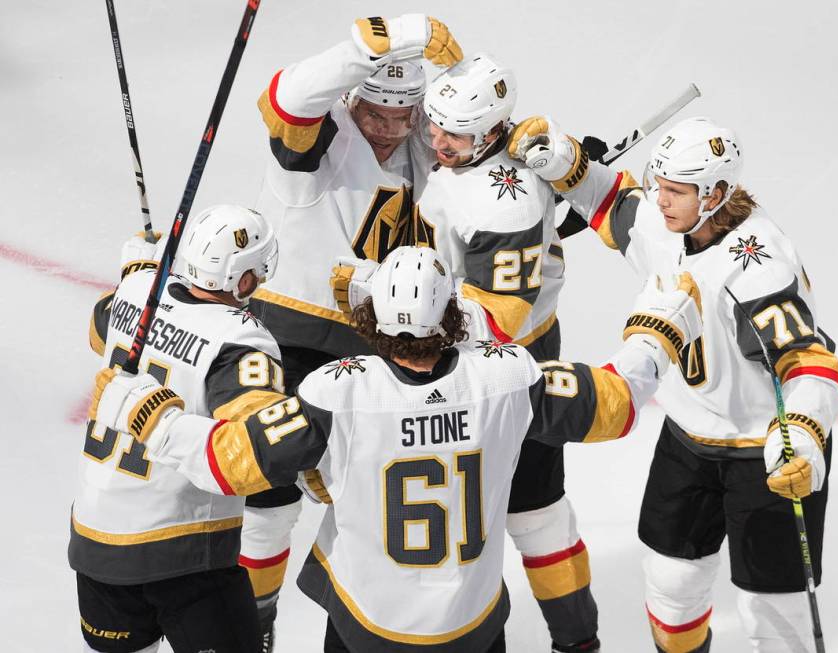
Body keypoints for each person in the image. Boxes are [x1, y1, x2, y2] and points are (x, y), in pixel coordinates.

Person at [88, 246, 702, 653]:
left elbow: (229, 462)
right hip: (470, 624)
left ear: (373, 320)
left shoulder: (336, 391)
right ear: (452, 318)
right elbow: (619, 403)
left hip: (370, 629)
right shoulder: (509, 376)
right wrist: (659, 330)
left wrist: (153, 416)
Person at [509, 116, 838, 652]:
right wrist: (567, 165)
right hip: (688, 440)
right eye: (659, 185)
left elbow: (811, 363)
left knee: (772, 615)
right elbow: (613, 202)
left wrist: (802, 434)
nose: (660, 200)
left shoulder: (756, 268)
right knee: (671, 586)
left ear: (715, 194)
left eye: (675, 191)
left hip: (765, 451)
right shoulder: (667, 224)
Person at [334, 53, 603, 652]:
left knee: (534, 510)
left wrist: (387, 297)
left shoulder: (503, 205)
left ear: (491, 132)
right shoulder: (480, 152)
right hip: (467, 342)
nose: (435, 140)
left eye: (453, 134)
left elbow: (498, 323)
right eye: (433, 124)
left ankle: (577, 641)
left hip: (504, 361)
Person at [242, 14, 463, 647]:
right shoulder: (320, 139)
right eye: (377, 115)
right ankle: (255, 622)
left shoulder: (421, 145)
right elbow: (283, 94)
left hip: (382, 346)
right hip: (295, 339)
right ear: (352, 100)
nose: (391, 131)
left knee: (376, 493)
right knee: (274, 499)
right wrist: (382, 38)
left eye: (404, 116)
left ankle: (370, 622)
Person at [70, 205, 282, 653]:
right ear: (243, 279)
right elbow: (252, 460)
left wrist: (140, 273)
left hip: (94, 540)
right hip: (184, 552)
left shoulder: (137, 288)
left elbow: (98, 331)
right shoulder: (243, 337)